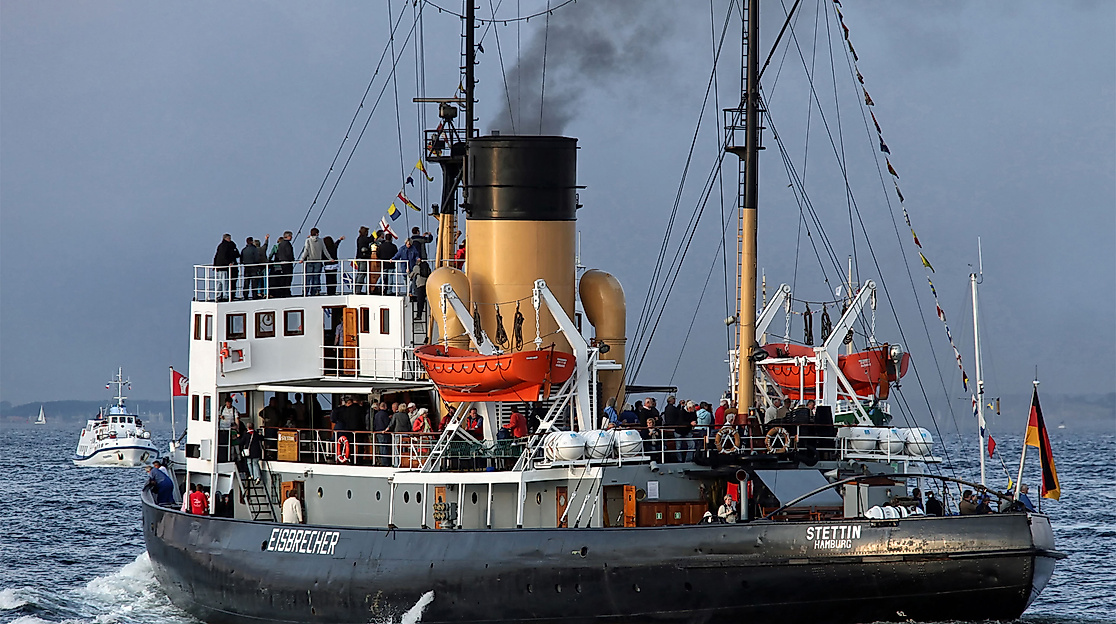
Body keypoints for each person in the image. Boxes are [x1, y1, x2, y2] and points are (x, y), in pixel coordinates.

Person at [299, 227, 333, 296]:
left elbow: (306, 250)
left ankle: (305, 292)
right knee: (316, 277)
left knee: (308, 277)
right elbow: (325, 250)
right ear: (317, 234)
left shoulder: (308, 240)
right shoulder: (321, 241)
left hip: (309, 261)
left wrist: (302, 259)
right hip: (318, 261)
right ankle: (315, 291)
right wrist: (330, 258)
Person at [212, 233, 239, 301]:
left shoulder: (220, 246)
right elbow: (227, 256)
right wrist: (228, 263)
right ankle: (225, 295)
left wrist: (214, 265)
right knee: (224, 282)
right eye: (229, 238)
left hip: (219, 267)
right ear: (226, 238)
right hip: (224, 267)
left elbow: (217, 256)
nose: (230, 239)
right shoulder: (228, 246)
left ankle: (218, 295)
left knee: (219, 283)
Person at [272, 231, 295, 298]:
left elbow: (278, 253)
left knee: (283, 278)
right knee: (288, 278)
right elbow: (289, 253)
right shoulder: (287, 244)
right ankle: (287, 292)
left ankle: (282, 291)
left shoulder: (281, 244)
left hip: (281, 262)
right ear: (288, 236)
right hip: (287, 263)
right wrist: (291, 259)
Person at [354, 226, 374, 294]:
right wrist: (374, 234)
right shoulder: (364, 239)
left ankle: (356, 288)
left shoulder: (359, 238)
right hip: (363, 259)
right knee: (362, 273)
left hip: (359, 258)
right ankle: (358, 290)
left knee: (359, 273)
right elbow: (370, 239)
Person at [373, 401, 393, 466]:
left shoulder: (376, 414)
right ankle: (385, 462)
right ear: (385, 407)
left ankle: (381, 461)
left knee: (381, 447)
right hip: (384, 432)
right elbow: (387, 423)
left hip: (378, 431)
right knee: (385, 447)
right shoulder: (385, 414)